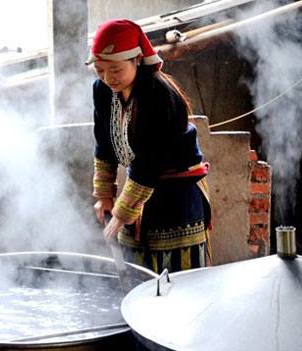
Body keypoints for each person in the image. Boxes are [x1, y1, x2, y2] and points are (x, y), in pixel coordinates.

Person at [86, 19, 211, 273]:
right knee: (136, 276)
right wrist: (105, 195)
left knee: (177, 281)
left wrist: (121, 214)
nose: (108, 78)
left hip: (177, 195)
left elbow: (149, 163)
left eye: (115, 70)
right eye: (100, 70)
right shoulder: (103, 90)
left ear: (137, 60)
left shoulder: (160, 96)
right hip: (138, 186)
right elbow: (104, 141)